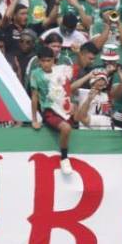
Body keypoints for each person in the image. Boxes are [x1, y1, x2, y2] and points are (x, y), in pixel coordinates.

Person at [28, 45, 76, 175]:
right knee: (66, 128)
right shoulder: (35, 74)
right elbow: (34, 97)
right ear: (39, 61)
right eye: (43, 61)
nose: (46, 64)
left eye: (48, 60)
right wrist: (34, 119)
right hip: (49, 111)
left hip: (63, 109)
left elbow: (67, 90)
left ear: (54, 60)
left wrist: (71, 104)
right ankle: (64, 158)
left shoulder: (60, 72)